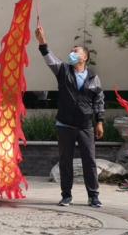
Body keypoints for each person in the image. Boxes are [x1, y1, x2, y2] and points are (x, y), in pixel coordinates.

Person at [34, 24, 105, 208]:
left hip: (85, 125)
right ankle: (66, 195)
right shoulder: (63, 71)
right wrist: (42, 41)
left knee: (89, 161)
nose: (71, 53)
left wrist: (99, 122)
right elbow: (48, 57)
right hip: (65, 124)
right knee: (65, 161)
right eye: (71, 51)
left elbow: (98, 100)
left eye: (75, 51)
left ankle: (93, 196)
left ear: (85, 57)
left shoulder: (93, 77)